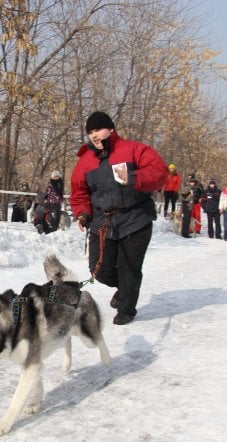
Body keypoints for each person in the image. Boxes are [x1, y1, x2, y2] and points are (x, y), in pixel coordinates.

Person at [70, 111, 167, 325]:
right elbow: (79, 192)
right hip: (102, 222)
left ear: (111, 129)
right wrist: (82, 212)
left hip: (135, 219)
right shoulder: (85, 161)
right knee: (99, 269)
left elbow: (159, 172)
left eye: (98, 130)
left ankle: (126, 308)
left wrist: (133, 177)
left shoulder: (134, 149)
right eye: (91, 132)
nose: (94, 135)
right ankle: (124, 289)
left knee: (129, 267)